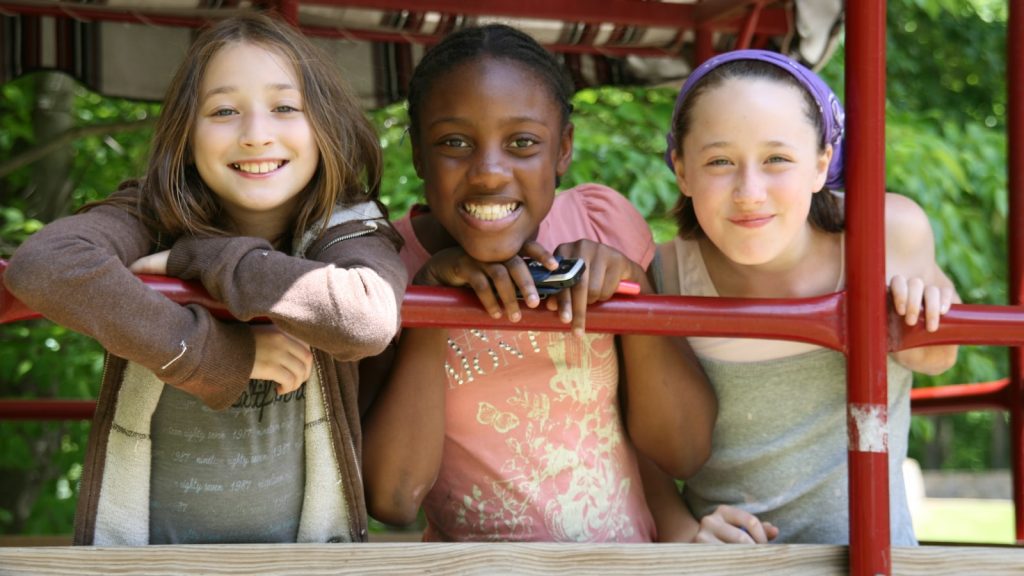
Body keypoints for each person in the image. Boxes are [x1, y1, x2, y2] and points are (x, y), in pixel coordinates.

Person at [4, 13, 406, 545]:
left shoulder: (347, 226)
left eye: (285, 107)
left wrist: (198, 257)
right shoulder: (150, 216)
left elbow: (365, 320)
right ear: (187, 133)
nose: (256, 135)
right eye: (223, 111)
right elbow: (44, 265)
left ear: (324, 124)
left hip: (308, 560)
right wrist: (221, 357)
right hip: (144, 558)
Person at [361, 23, 716, 542]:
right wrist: (431, 298)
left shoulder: (601, 223)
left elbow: (681, 451)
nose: (488, 172)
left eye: (522, 142)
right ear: (417, 152)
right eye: (454, 142)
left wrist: (631, 288)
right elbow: (392, 500)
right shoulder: (385, 265)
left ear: (563, 149)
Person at [655, 49, 959, 545]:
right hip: (728, 566)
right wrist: (686, 534)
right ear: (681, 170)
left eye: (776, 159)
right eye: (719, 161)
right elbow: (635, 446)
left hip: (873, 562)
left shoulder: (885, 231)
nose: (749, 191)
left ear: (822, 164)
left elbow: (937, 357)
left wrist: (920, 306)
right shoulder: (664, 272)